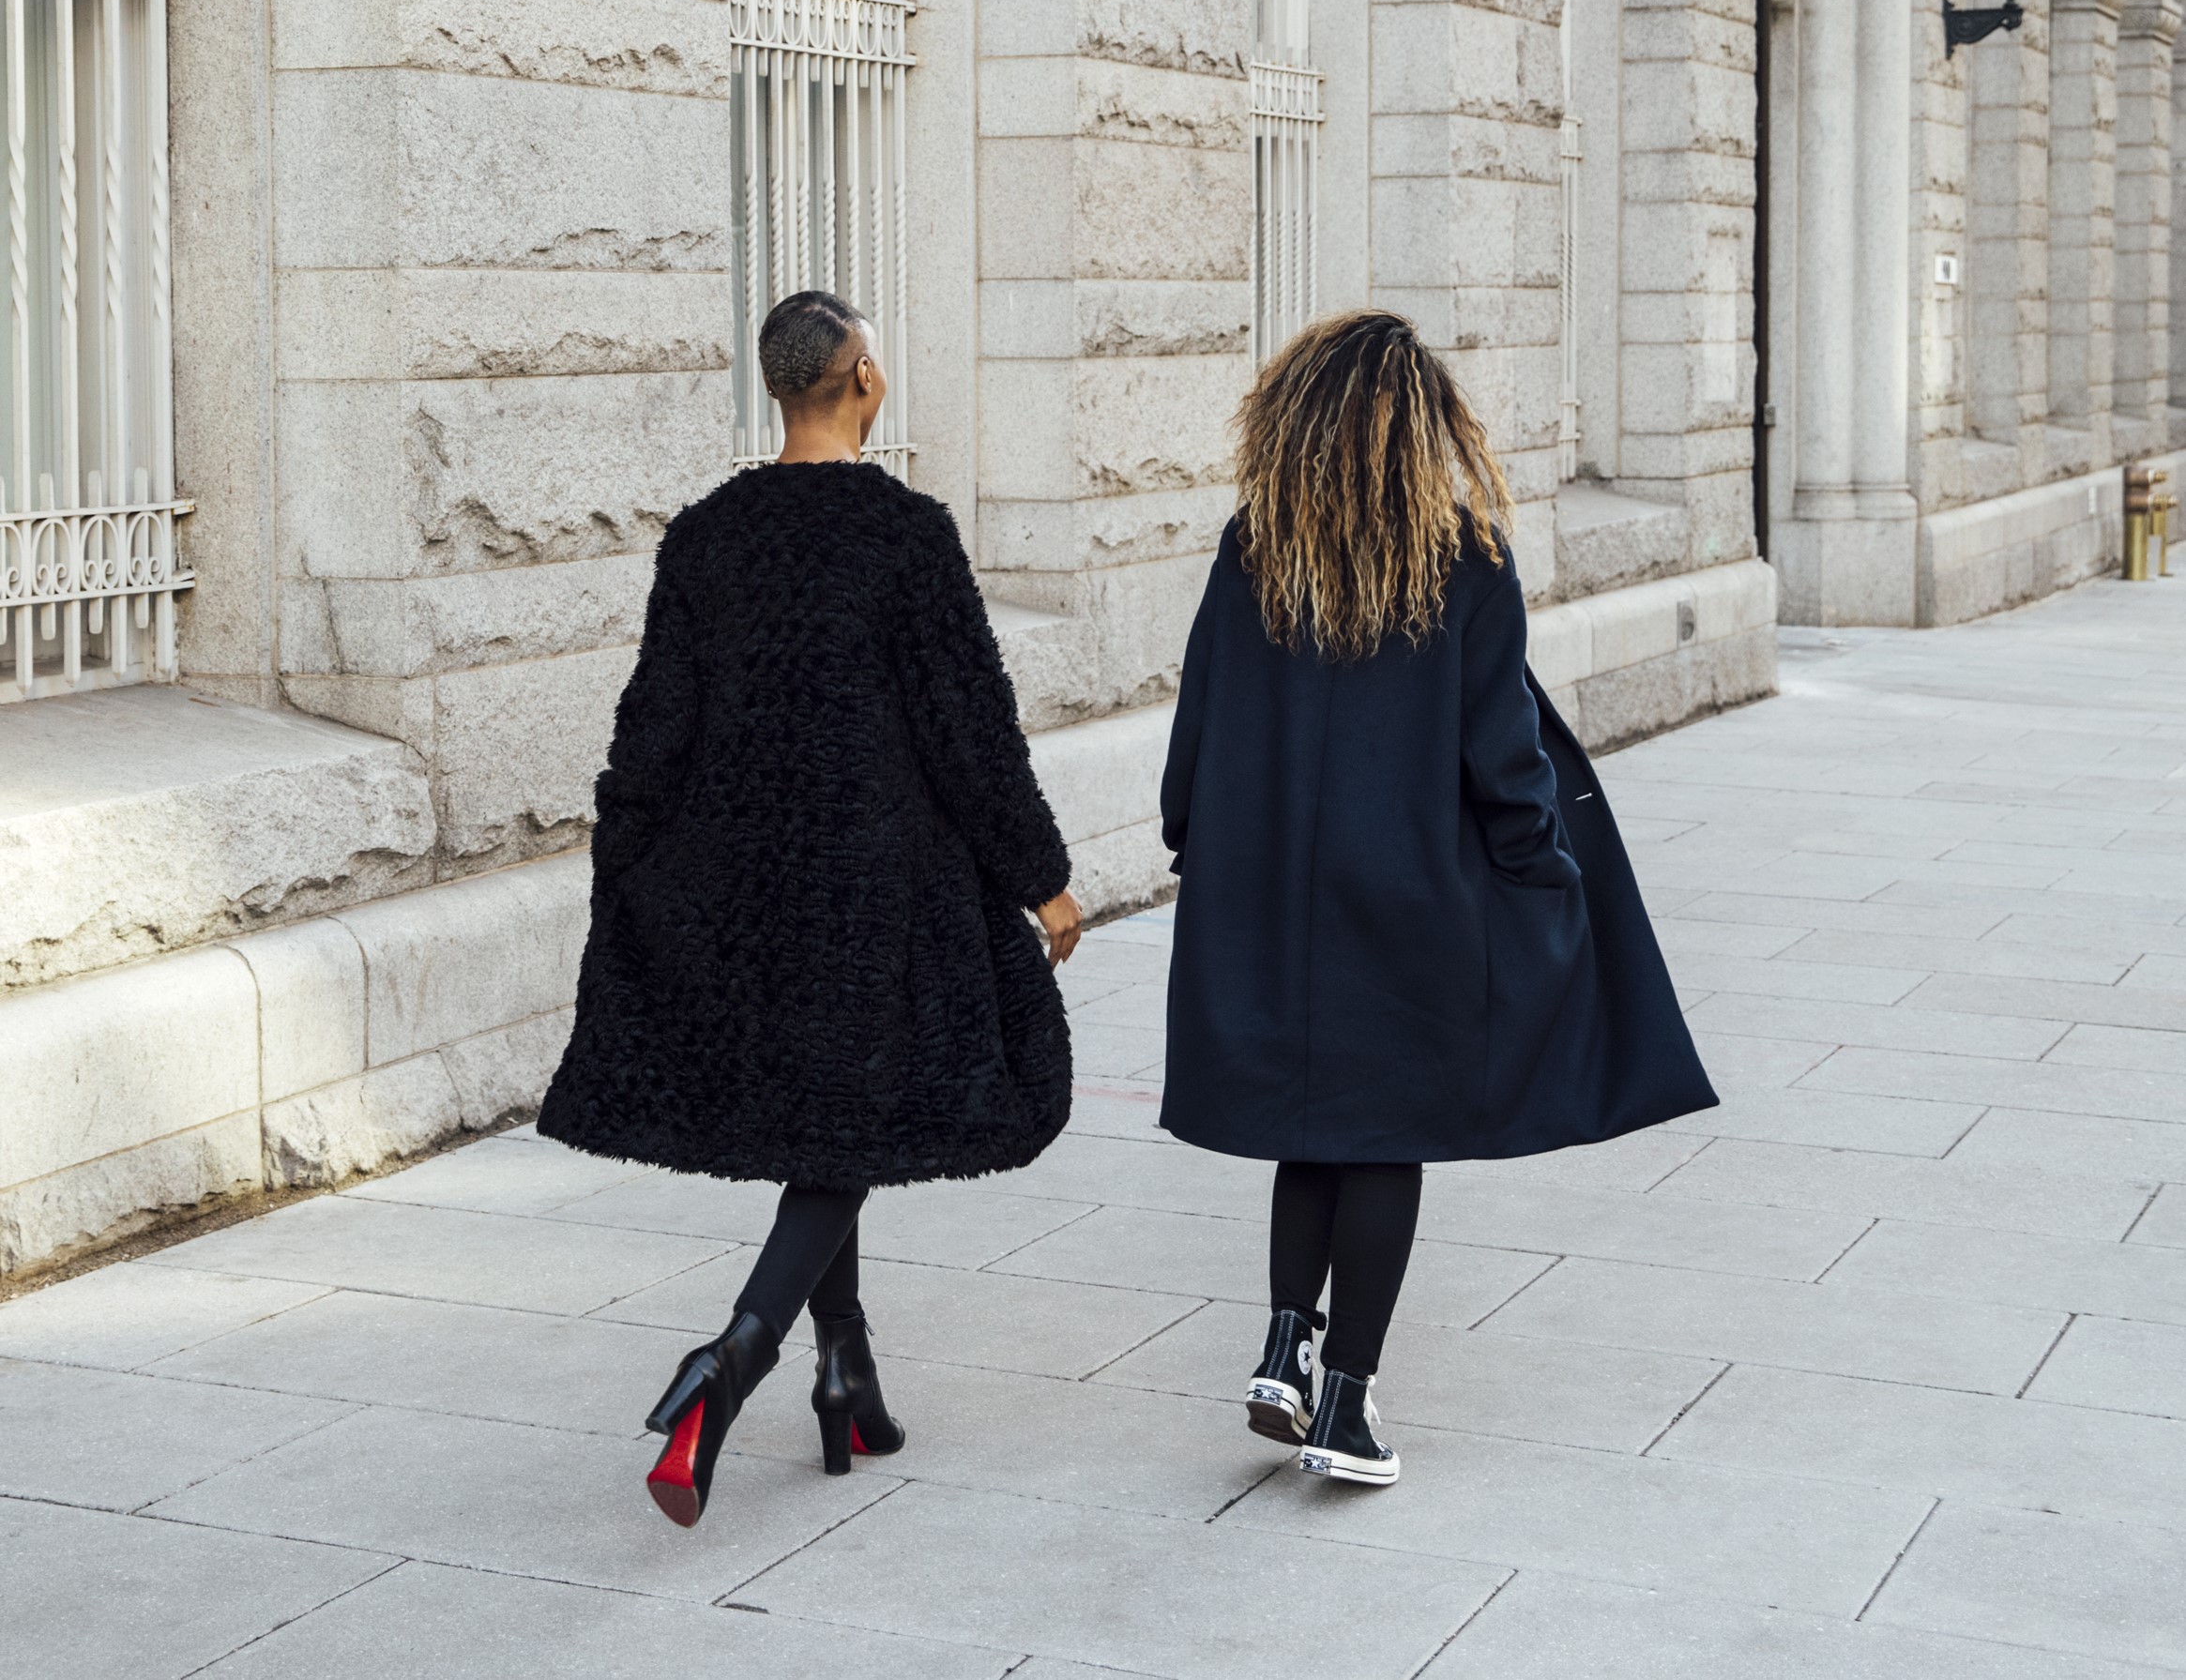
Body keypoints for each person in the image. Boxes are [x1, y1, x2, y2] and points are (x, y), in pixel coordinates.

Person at [539, 290, 1084, 1527]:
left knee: (828, 1121)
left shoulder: (706, 536)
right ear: (862, 383)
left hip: (744, 889)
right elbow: (968, 727)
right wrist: (1037, 873)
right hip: (877, 889)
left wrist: (623, 860)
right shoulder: (906, 536)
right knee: (848, 1129)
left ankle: (849, 1374)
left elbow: (651, 726)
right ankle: (725, 1366)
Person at [1158, 310, 1715, 1487]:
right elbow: (1502, 754)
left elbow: (1197, 714)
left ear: (1299, 419)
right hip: (1408, 895)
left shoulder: (1254, 544)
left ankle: (1280, 1343)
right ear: (1420, 428)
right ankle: (1343, 1406)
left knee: (1307, 1121)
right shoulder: (1461, 559)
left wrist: (1189, 838)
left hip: (1270, 892)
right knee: (1385, 1135)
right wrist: (1541, 871)